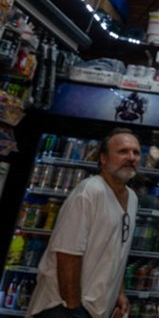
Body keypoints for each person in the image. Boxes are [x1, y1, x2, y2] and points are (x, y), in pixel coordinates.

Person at [28, 128, 141, 318]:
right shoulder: (89, 192)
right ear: (103, 158)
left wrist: (119, 292)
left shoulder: (132, 198)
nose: (131, 157)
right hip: (63, 308)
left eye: (136, 152)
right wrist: (74, 308)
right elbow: (67, 254)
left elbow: (117, 252)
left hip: (94, 309)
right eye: (123, 151)